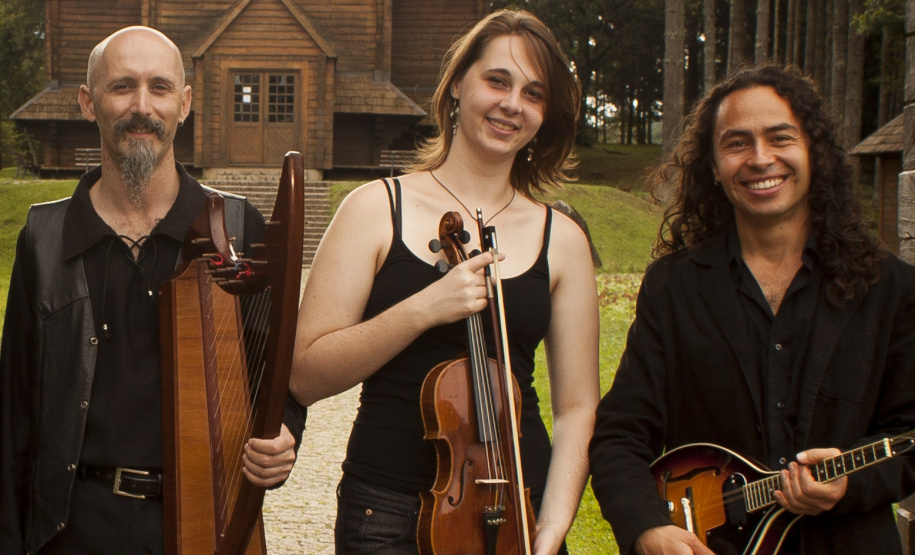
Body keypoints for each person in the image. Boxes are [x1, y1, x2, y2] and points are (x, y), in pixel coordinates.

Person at [290, 9, 599, 555]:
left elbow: (577, 408)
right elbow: (305, 375)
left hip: (516, 508)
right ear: (457, 84)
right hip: (388, 514)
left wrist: (551, 526)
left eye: (533, 93)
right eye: (497, 80)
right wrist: (423, 309)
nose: (512, 104)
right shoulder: (373, 209)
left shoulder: (563, 239)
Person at [0, 26, 306, 554]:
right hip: (69, 532)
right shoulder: (43, 238)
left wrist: (284, 432)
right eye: (122, 86)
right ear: (87, 102)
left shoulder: (238, 228)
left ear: (183, 104)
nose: (142, 107)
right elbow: (14, 414)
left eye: (159, 88)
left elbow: (279, 370)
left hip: (199, 524)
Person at [588, 64, 915, 555]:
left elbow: (909, 439)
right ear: (713, 166)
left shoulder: (890, 289)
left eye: (780, 138)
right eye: (737, 143)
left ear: (814, 152)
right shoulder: (673, 287)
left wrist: (852, 484)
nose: (760, 159)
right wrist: (646, 528)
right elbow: (621, 433)